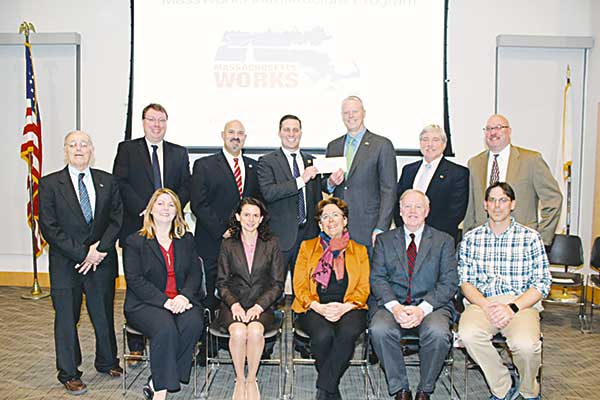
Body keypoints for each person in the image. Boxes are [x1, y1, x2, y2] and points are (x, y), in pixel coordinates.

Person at [39, 130, 123, 395]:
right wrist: (83, 253)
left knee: (103, 313)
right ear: (65, 150)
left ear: (92, 150)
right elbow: (49, 227)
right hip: (66, 263)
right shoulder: (50, 184)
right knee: (66, 319)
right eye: (73, 144)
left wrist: (100, 249)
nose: (78, 149)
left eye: (84, 144)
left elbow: (117, 219)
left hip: (101, 260)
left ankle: (107, 361)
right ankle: (69, 373)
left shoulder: (107, 181)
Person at [458, 182, 551, 400]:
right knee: (468, 335)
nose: (497, 206)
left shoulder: (530, 238)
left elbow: (542, 283)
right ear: (485, 205)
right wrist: (485, 305)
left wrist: (512, 307)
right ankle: (502, 387)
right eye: (492, 200)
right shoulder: (471, 238)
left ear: (512, 204)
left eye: (503, 200)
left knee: (526, 346)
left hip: (521, 303)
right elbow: (465, 282)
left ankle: (528, 390)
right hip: (483, 302)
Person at [113, 103, 192, 356]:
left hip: (170, 227)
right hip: (137, 225)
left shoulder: (178, 152)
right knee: (139, 282)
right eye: (152, 120)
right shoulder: (127, 149)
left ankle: (172, 329)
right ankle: (136, 345)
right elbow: (120, 183)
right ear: (143, 122)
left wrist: (170, 209)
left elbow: (186, 185)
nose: (157, 125)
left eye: (161, 120)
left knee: (169, 276)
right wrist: (147, 209)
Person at [370, 190, 458, 400]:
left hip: (432, 306)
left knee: (438, 333)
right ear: (400, 211)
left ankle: (425, 389)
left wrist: (422, 309)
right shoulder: (384, 240)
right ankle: (400, 388)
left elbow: (449, 282)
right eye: (407, 206)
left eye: (418, 206)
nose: (412, 211)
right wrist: (395, 307)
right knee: (379, 329)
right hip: (393, 305)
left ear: (427, 211)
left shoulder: (444, 241)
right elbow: (377, 278)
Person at [123, 188, 205, 400]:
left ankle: (157, 379)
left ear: (177, 211)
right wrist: (165, 302)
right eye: (160, 203)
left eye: (171, 205)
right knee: (165, 327)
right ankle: (161, 390)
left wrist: (184, 296)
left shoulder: (186, 239)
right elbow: (135, 280)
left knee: (193, 323)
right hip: (145, 303)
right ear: (150, 209)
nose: (165, 208)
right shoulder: (135, 241)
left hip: (182, 299)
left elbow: (195, 273)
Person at [292, 197, 370, 400]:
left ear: (345, 220)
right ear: (320, 224)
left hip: (350, 306)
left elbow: (364, 287)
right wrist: (318, 306)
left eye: (336, 215)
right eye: (325, 217)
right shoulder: (307, 247)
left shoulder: (359, 250)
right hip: (314, 306)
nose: (331, 220)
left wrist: (345, 307)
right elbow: (299, 285)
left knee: (348, 332)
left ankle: (325, 386)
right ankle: (332, 390)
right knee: (323, 335)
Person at [215, 197, 285, 400]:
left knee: (254, 331)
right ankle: (239, 379)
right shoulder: (228, 244)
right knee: (238, 332)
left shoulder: (272, 243)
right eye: (246, 214)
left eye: (256, 215)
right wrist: (234, 305)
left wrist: (259, 306)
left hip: (262, 306)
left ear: (261, 218)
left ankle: (252, 379)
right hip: (233, 304)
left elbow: (278, 284)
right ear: (238, 217)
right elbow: (221, 283)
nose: (251, 219)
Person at [190, 119, 261, 314]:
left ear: (245, 138)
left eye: (240, 133)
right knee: (209, 296)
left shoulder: (255, 167)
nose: (235, 137)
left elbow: (258, 203)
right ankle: (207, 332)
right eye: (231, 132)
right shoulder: (204, 165)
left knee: (238, 294)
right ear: (223, 135)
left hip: (244, 242)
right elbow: (198, 203)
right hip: (212, 241)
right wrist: (223, 230)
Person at [463, 114, 562, 246]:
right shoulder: (474, 163)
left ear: (509, 131)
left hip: (521, 242)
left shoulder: (531, 160)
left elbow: (553, 199)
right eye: (488, 129)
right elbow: (470, 208)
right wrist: (467, 238)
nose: (493, 132)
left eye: (498, 127)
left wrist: (541, 238)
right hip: (482, 242)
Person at [324, 95, 397, 253]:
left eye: (355, 111)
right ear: (342, 116)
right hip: (338, 229)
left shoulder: (382, 145)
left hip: (369, 229)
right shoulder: (333, 146)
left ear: (364, 113)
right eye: (346, 112)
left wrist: (381, 227)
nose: (351, 116)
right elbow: (325, 184)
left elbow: (389, 190)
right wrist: (330, 183)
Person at [258, 114, 323, 284]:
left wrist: (330, 182)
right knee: (274, 286)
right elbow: (269, 193)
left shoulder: (312, 161)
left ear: (301, 132)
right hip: (281, 237)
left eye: (295, 130)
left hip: (309, 235)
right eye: (287, 130)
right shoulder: (267, 161)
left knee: (306, 286)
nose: (291, 134)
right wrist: (301, 180)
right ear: (279, 133)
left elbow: (317, 197)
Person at [394, 124, 468, 242]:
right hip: (407, 238)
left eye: (435, 140)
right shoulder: (408, 170)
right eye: (425, 139)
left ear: (444, 144)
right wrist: (408, 231)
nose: (429, 144)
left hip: (439, 240)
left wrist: (424, 236)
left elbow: (455, 213)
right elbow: (398, 204)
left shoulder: (458, 173)